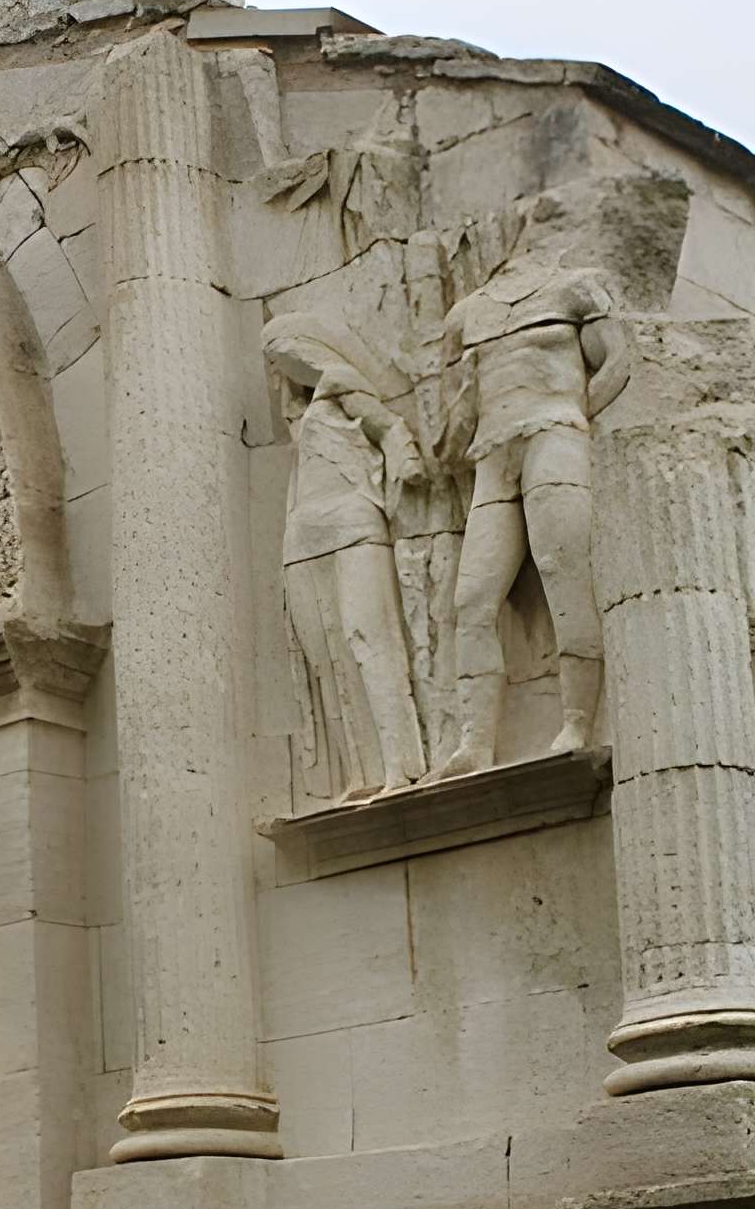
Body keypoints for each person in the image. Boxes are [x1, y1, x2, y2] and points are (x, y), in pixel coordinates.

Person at [434, 186, 630, 776]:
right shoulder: (465, 315)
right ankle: (475, 741)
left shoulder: (575, 286)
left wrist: (575, 419)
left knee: (561, 568)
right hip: (494, 451)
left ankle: (575, 720)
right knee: (470, 600)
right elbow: (453, 423)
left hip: (554, 434)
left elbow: (617, 363)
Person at [264, 312, 433, 802]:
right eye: (274, 360)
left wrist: (407, 469)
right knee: (327, 653)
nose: (281, 366)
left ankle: (402, 764)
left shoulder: (341, 386)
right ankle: (362, 771)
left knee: (367, 637)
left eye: (283, 354)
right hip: (305, 535)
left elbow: (392, 433)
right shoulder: (302, 413)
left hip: (353, 522)